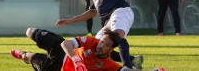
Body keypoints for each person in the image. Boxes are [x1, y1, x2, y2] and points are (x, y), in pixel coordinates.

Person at [56, 0, 142, 70]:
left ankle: (127, 67)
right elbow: (92, 12)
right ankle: (132, 60)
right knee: (98, 45)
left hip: (120, 10)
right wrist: (71, 20)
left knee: (116, 36)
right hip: (107, 21)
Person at [10, 27, 140, 71]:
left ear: (111, 50)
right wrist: (77, 60)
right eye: (102, 42)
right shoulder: (91, 41)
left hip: (56, 67)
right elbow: (66, 44)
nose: (101, 46)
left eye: (106, 45)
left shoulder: (107, 64)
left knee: (29, 57)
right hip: (62, 51)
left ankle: (21, 54)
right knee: (30, 31)